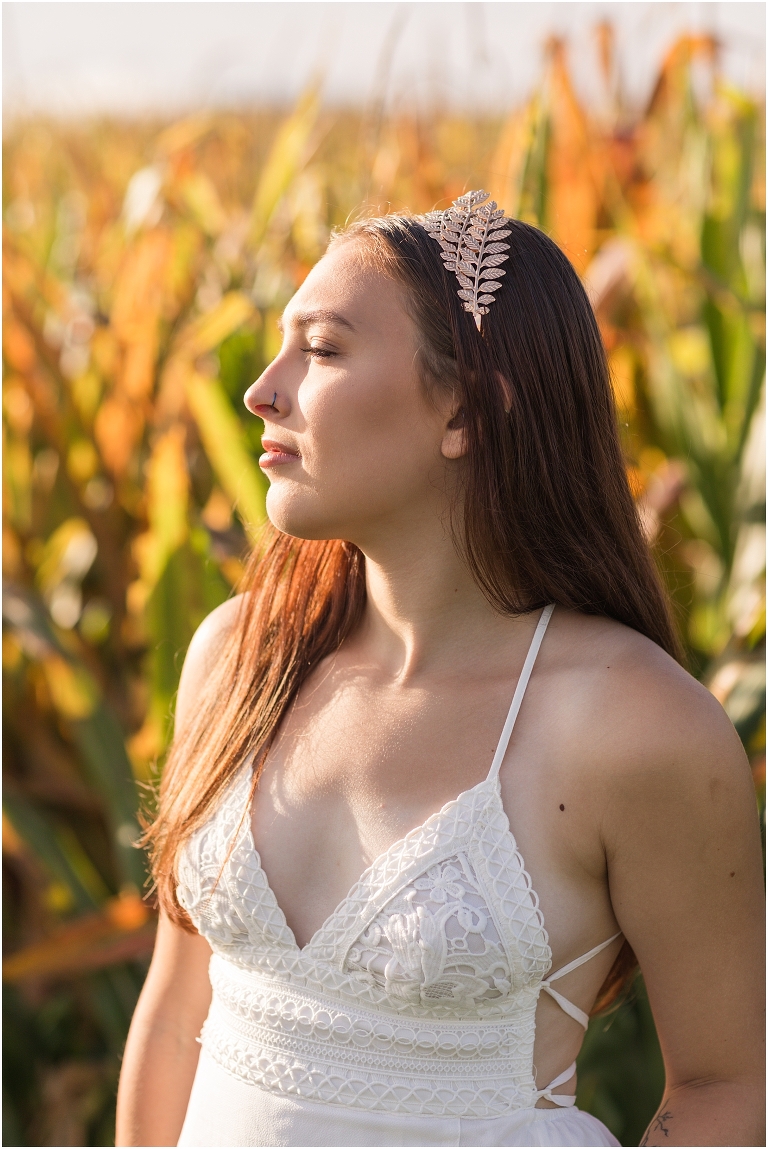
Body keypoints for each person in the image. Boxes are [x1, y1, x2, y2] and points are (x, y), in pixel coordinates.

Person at [116, 194, 764, 1148]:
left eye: (324, 350)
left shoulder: (633, 725)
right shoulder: (236, 659)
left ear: (463, 406)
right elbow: (178, 1011)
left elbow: (731, 1086)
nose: (262, 388)